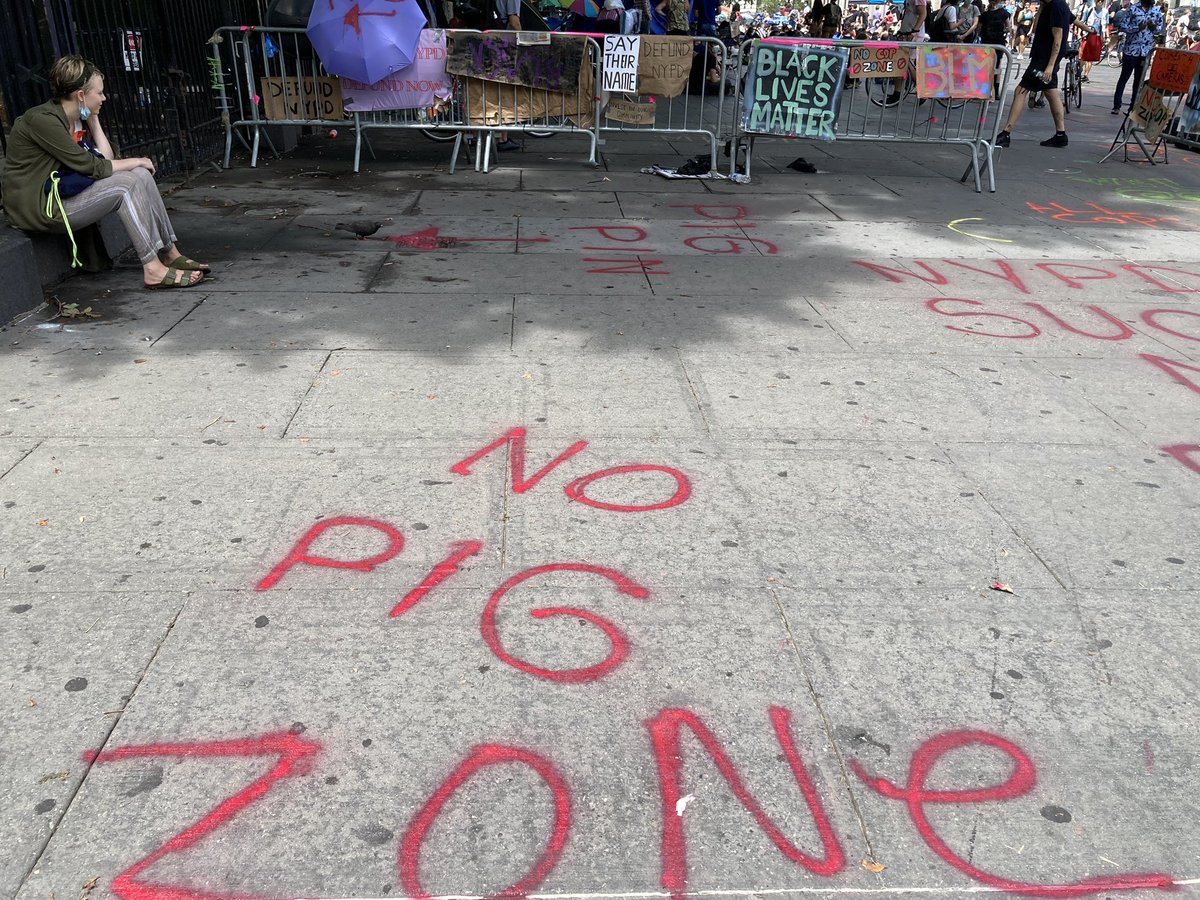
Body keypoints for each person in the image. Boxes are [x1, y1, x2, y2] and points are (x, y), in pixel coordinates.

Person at [1, 56, 206, 289]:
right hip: (39, 207)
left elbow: (105, 160)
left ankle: (169, 252)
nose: (104, 98)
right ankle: (153, 269)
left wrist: (94, 119)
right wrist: (137, 158)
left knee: (140, 173)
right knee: (126, 184)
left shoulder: (75, 119)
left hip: (63, 195)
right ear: (80, 95)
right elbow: (93, 167)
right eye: (99, 93)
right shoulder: (43, 121)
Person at [995, 0, 1076, 147]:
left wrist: (1050, 66)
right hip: (1045, 58)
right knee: (1051, 92)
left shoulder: (1056, 6)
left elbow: (1058, 38)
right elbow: (1074, 20)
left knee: (1020, 91)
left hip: (1043, 60)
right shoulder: (1056, 5)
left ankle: (1006, 133)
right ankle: (1061, 134)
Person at [1111, 0, 1164, 113]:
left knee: (1139, 81)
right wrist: (1136, 28)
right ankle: (1116, 105)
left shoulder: (1156, 10)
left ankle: (1133, 106)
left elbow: (1160, 29)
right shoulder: (1133, 9)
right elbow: (1122, 26)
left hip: (1145, 52)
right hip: (1131, 50)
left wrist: (1153, 28)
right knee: (1124, 77)